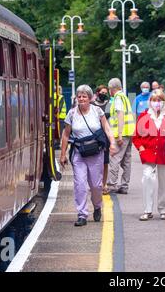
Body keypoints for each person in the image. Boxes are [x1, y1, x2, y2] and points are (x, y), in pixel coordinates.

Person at [60, 85, 116, 226]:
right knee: (80, 184)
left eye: (84, 96)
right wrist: (62, 154)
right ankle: (82, 214)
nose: (81, 99)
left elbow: (107, 128)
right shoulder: (72, 114)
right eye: (79, 96)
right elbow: (66, 135)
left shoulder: (97, 111)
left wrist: (113, 143)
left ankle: (97, 206)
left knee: (96, 186)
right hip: (79, 153)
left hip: (96, 153)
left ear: (90, 98)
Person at [132, 89, 165, 221]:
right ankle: (147, 209)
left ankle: (163, 209)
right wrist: (141, 148)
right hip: (148, 153)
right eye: (154, 100)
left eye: (160, 100)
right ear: (150, 102)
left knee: (164, 182)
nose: (157, 103)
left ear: (164, 102)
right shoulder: (144, 115)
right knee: (147, 177)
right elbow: (136, 136)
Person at [107, 78, 136, 195]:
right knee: (126, 161)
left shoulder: (118, 98)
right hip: (128, 133)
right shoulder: (125, 97)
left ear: (112, 89)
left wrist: (119, 134)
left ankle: (111, 185)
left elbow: (120, 115)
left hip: (121, 134)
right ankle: (124, 186)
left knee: (114, 158)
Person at [92, 85, 111, 194]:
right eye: (102, 92)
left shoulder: (109, 104)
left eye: (105, 92)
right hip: (95, 136)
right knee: (94, 161)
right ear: (97, 92)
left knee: (105, 162)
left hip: (105, 136)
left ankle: (104, 184)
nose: (104, 94)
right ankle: (95, 183)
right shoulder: (92, 105)